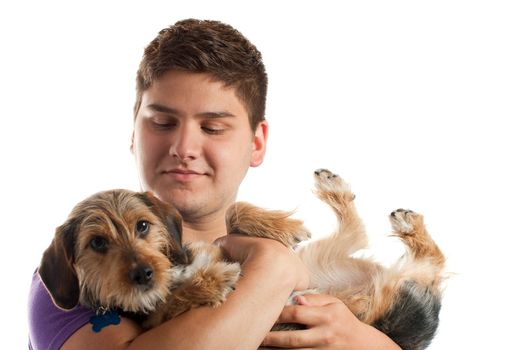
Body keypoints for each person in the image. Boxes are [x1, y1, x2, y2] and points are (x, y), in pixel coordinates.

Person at [28, 19, 401, 349]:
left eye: (212, 127)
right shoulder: (77, 283)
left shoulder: (287, 252)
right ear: (133, 133)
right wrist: (274, 271)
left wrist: (361, 339)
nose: (184, 148)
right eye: (162, 123)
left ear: (256, 143)